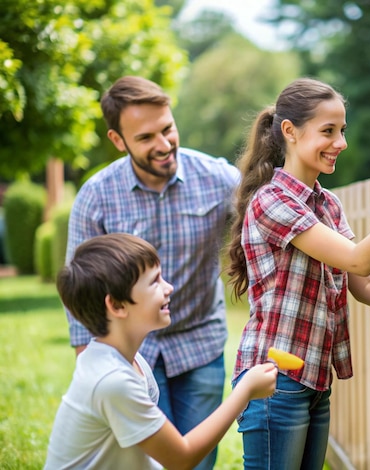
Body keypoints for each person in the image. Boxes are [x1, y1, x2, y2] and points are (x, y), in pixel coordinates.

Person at [225, 77, 370, 469]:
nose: (341, 143)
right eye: (328, 131)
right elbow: (358, 260)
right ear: (290, 132)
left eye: (342, 131)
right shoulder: (272, 201)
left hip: (314, 381)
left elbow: (359, 282)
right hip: (274, 381)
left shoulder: (327, 204)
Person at [64, 75, 240, 469]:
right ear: (117, 140)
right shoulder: (96, 196)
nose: (163, 145)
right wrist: (89, 364)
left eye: (168, 129)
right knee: (147, 463)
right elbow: (80, 295)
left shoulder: (218, 178)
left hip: (200, 343)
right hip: (131, 352)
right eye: (145, 138)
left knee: (196, 461)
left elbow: (270, 212)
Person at [45, 233, 277, 469]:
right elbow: (181, 458)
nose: (169, 287)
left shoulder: (129, 360)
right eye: (155, 281)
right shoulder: (112, 380)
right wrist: (245, 391)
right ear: (116, 305)